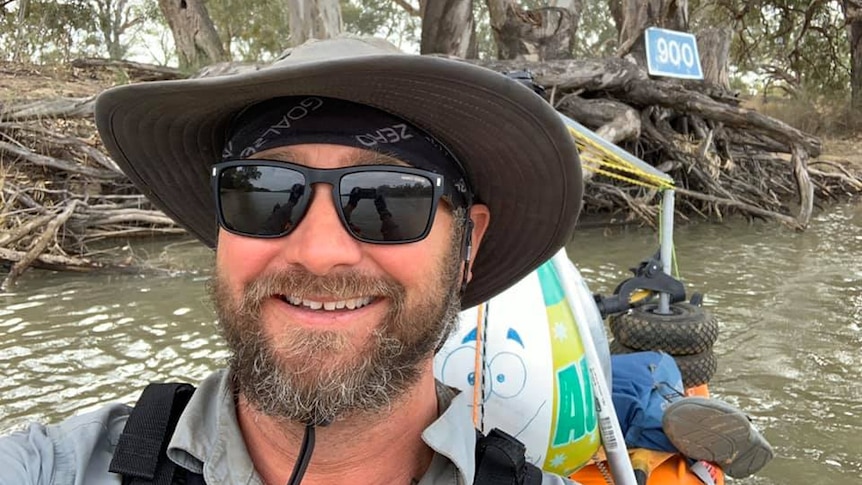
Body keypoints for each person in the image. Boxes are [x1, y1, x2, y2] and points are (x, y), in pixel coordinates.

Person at [0, 36, 585, 484]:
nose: (320, 253)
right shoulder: (57, 465)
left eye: (389, 198)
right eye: (263, 192)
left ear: (468, 247)